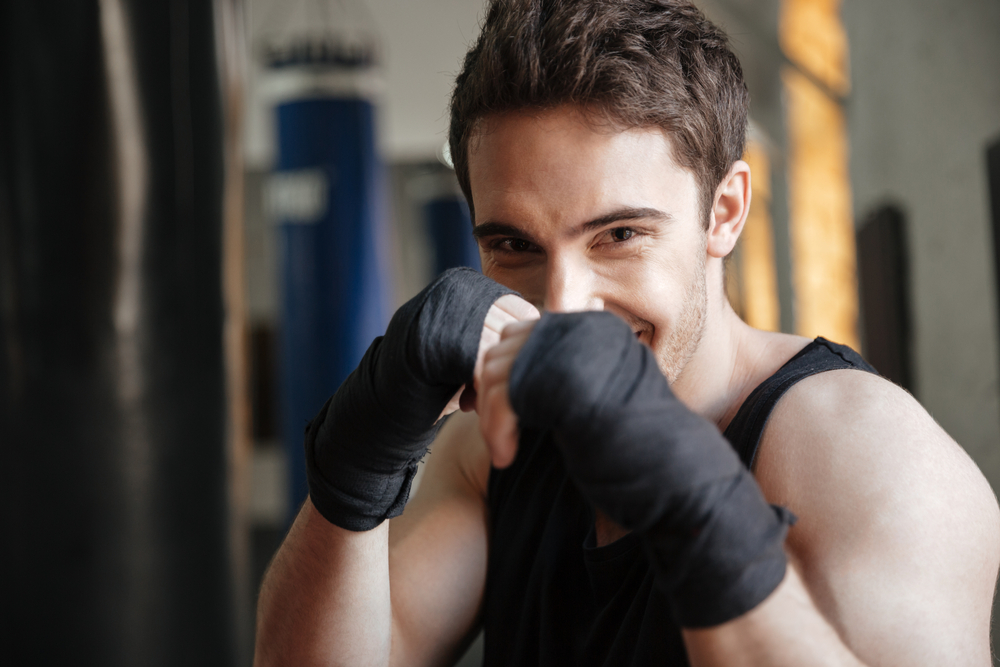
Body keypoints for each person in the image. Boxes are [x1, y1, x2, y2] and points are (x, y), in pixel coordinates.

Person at [253, 1, 1000, 665]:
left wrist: (701, 519)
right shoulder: (493, 449)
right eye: (514, 245)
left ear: (726, 210)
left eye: (618, 234)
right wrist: (354, 465)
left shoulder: (870, 454)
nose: (566, 305)